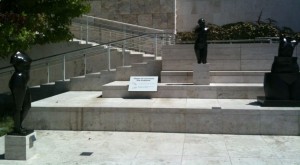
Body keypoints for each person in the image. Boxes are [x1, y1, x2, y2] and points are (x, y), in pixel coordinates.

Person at [9, 51, 32, 135]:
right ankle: (17, 128)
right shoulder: (15, 55)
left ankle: (18, 125)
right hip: (18, 81)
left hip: (24, 82)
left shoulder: (24, 53)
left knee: (27, 105)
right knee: (18, 107)